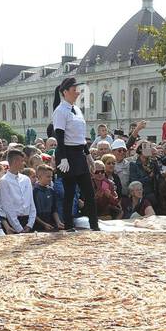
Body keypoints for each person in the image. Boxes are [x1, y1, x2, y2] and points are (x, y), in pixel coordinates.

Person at [51, 76, 99, 231]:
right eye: (74, 90)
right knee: (70, 192)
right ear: (65, 92)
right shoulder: (60, 111)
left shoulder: (77, 109)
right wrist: (63, 157)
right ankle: (69, 226)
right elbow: (59, 134)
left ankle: (94, 225)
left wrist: (88, 155)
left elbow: (80, 137)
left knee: (89, 192)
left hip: (78, 152)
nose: (77, 92)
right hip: (67, 153)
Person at [0, 148, 36, 233]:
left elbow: (31, 202)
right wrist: (19, 228)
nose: (24, 163)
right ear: (15, 161)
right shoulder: (4, 181)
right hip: (14, 222)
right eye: (22, 161)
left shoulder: (26, 179)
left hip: (28, 221)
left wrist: (30, 224)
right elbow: (7, 207)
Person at [32, 165, 64, 232]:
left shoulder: (51, 190)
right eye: (48, 177)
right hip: (38, 227)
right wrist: (44, 224)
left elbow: (54, 209)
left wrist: (58, 222)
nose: (50, 179)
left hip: (51, 225)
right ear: (39, 176)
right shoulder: (34, 191)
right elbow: (32, 212)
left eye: (51, 177)